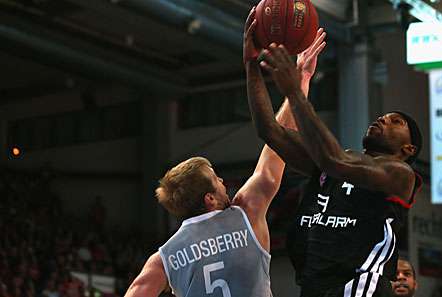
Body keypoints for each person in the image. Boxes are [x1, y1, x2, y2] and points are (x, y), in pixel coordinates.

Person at [124, 7, 324, 297]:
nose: (223, 182)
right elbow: (274, 150)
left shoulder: (164, 258)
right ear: (210, 199)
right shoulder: (246, 213)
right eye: (216, 179)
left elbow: (135, 291)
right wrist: (300, 83)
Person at [245, 31, 423, 297]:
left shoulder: (400, 174)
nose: (383, 120)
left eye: (395, 121)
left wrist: (295, 92)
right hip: (313, 285)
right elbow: (269, 130)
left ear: (408, 149)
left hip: (360, 286)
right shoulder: (334, 163)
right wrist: (251, 63)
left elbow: (335, 160)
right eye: (383, 116)